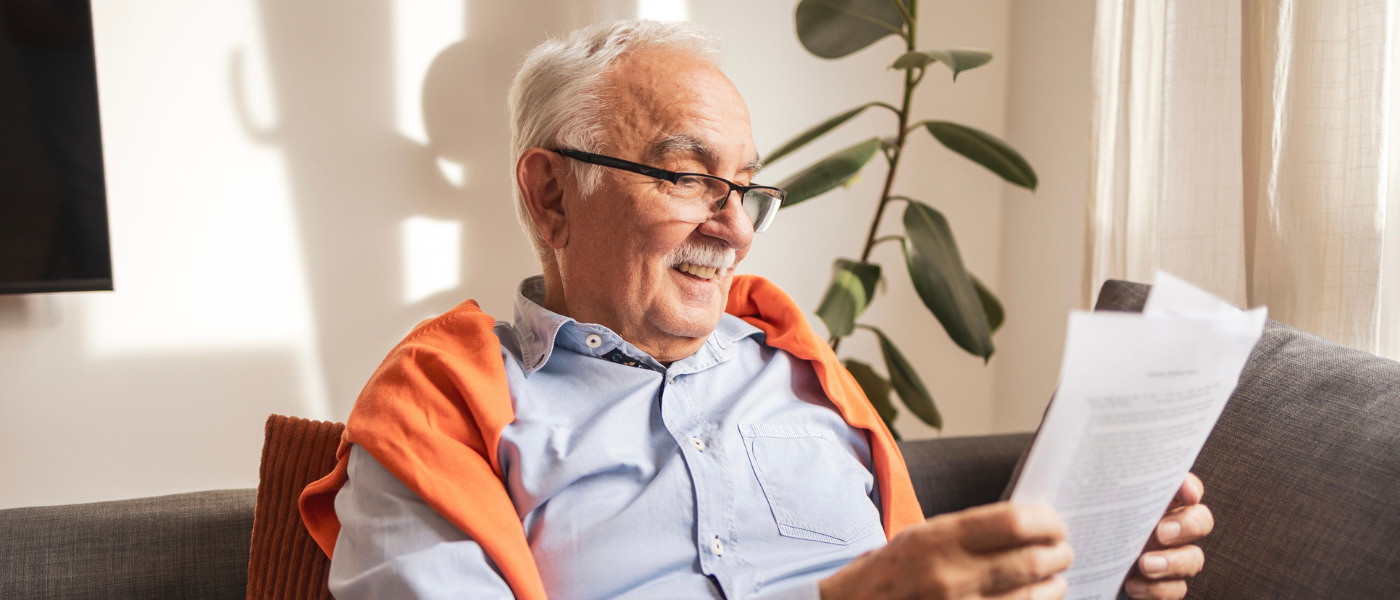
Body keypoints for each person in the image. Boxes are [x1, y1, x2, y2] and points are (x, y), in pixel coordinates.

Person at [301, 20, 1213, 600]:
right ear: (551, 198)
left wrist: (1084, 572)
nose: (733, 227)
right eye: (690, 176)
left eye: (746, 187)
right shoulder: (441, 413)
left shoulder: (802, 371)